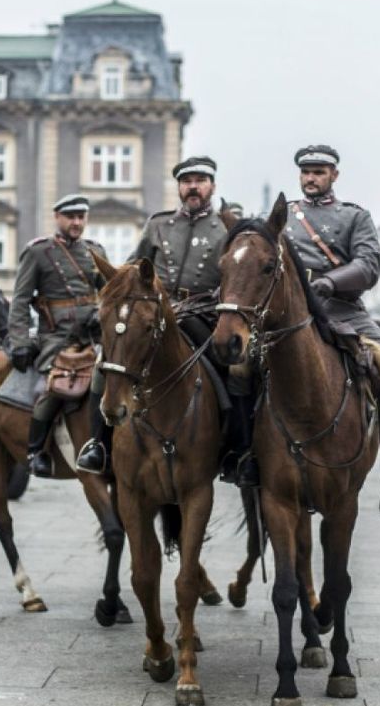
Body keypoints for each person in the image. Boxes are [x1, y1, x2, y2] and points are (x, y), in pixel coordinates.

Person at [76, 156, 254, 480]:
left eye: (200, 180)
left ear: (212, 186)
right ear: (180, 188)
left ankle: (237, 451)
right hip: (154, 313)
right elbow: (132, 267)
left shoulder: (225, 228)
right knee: (107, 363)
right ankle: (98, 446)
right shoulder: (158, 225)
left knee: (238, 369)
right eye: (187, 181)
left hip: (202, 315)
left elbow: (235, 278)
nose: (193, 187)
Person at [284, 144, 380, 490]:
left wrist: (331, 282)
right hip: (292, 309)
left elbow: (368, 265)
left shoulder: (354, 217)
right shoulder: (284, 215)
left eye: (318, 172)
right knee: (242, 365)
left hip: (341, 310)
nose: (311, 178)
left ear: (334, 175)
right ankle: (241, 451)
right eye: (306, 172)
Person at [9, 194, 108, 477]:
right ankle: (35, 450)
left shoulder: (95, 251)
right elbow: (20, 300)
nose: (76, 223)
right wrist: (19, 341)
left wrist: (100, 311)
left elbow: (109, 292)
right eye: (71, 217)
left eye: (81, 217)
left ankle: (104, 447)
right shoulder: (39, 252)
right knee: (54, 388)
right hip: (57, 338)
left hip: (94, 336)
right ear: (58, 217)